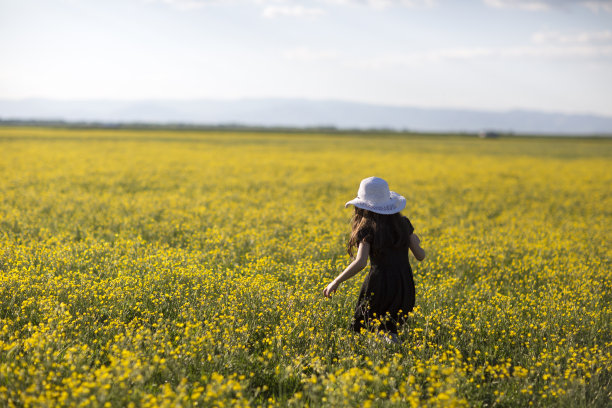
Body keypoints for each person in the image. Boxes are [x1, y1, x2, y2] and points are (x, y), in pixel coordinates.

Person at [323, 176, 425, 344]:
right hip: (403, 284)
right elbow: (420, 255)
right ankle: (394, 356)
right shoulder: (403, 224)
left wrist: (336, 282)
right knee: (389, 329)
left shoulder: (367, 228)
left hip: (379, 284)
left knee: (368, 329)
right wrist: (416, 242)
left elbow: (361, 262)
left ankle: (381, 361)